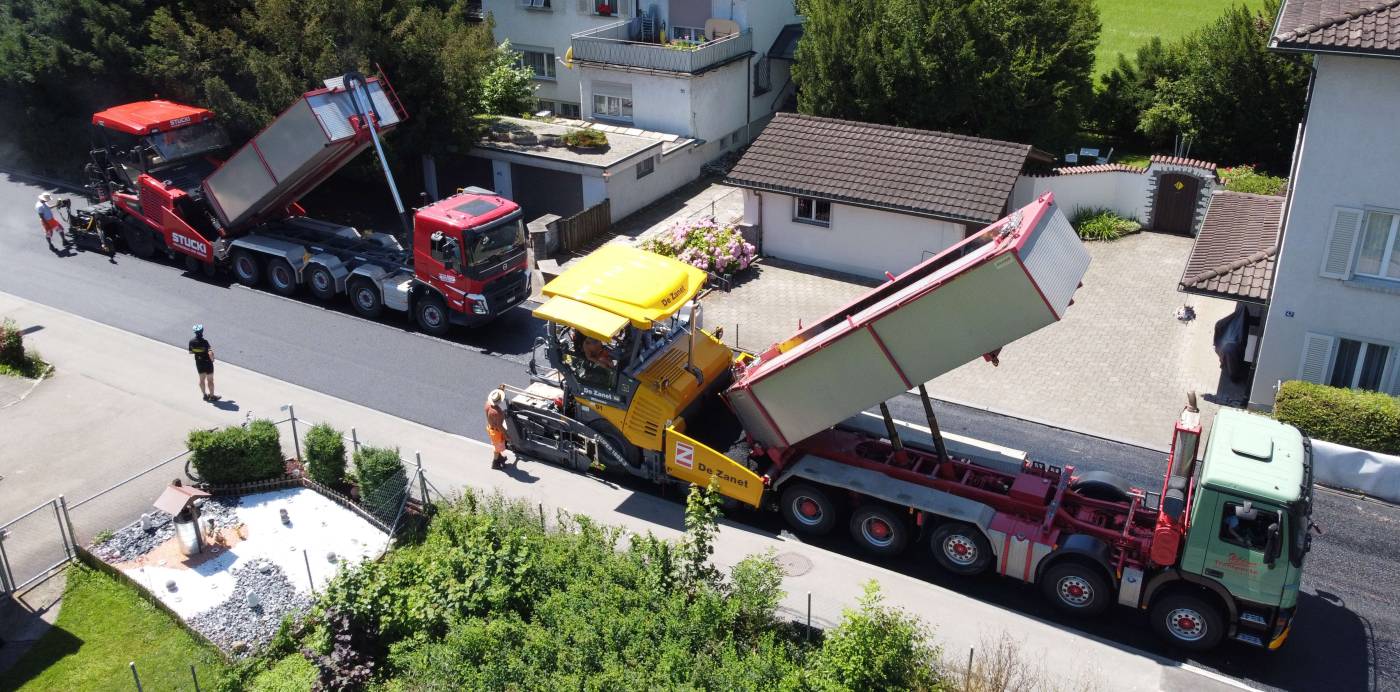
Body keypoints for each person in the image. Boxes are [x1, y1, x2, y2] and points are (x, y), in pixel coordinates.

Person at [188, 325, 220, 402]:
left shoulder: (191, 342)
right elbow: (210, 353)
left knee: (201, 380)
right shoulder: (205, 342)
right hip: (207, 363)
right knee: (210, 380)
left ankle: (204, 395)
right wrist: (212, 360)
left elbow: (190, 352)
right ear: (202, 332)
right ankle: (212, 396)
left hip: (199, 363)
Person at [485, 388, 509, 469]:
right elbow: (500, 426)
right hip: (496, 432)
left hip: (490, 428)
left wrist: (501, 389)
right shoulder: (497, 412)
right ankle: (495, 463)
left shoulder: (487, 404)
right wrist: (506, 435)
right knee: (498, 448)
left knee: (498, 446)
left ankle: (500, 458)